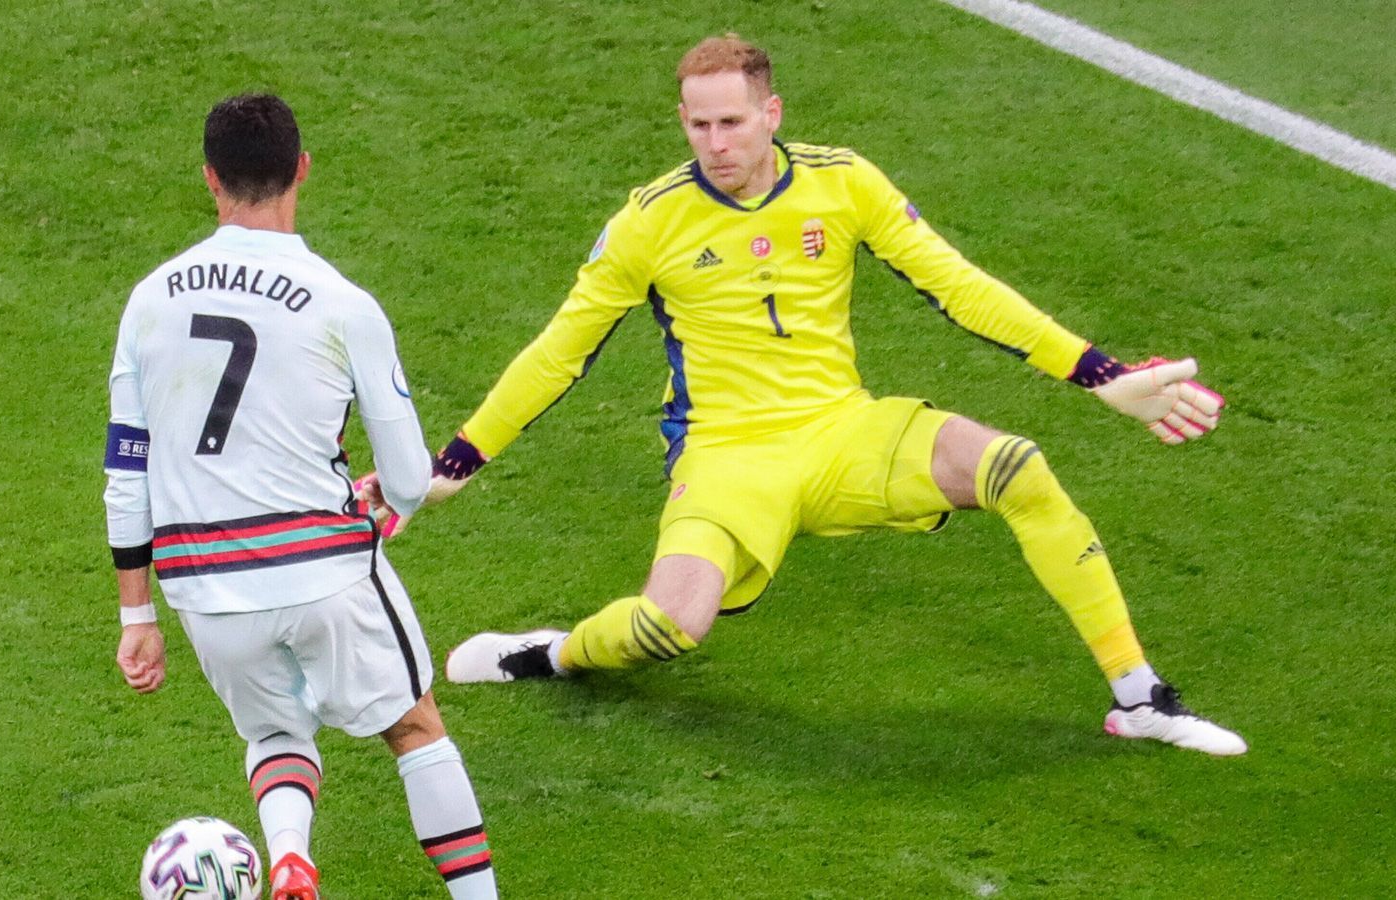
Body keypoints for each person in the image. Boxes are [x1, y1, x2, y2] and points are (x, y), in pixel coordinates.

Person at [379, 35, 1244, 756]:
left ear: (771, 115)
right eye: (699, 124)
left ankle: (1141, 698)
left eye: (732, 122)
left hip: (843, 431)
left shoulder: (844, 182)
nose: (715, 143)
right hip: (725, 457)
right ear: (683, 121)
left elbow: (962, 288)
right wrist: (459, 458)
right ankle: (554, 654)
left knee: (1016, 467)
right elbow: (558, 352)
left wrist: (1100, 373)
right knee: (672, 627)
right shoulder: (650, 221)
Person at [104, 94, 499, 900]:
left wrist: (136, 617)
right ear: (303, 171)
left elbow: (126, 467)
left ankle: (289, 854)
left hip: (204, 586)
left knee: (276, 731)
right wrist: (394, 500)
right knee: (414, 727)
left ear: (210, 178)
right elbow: (410, 476)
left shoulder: (149, 300)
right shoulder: (342, 302)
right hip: (325, 570)